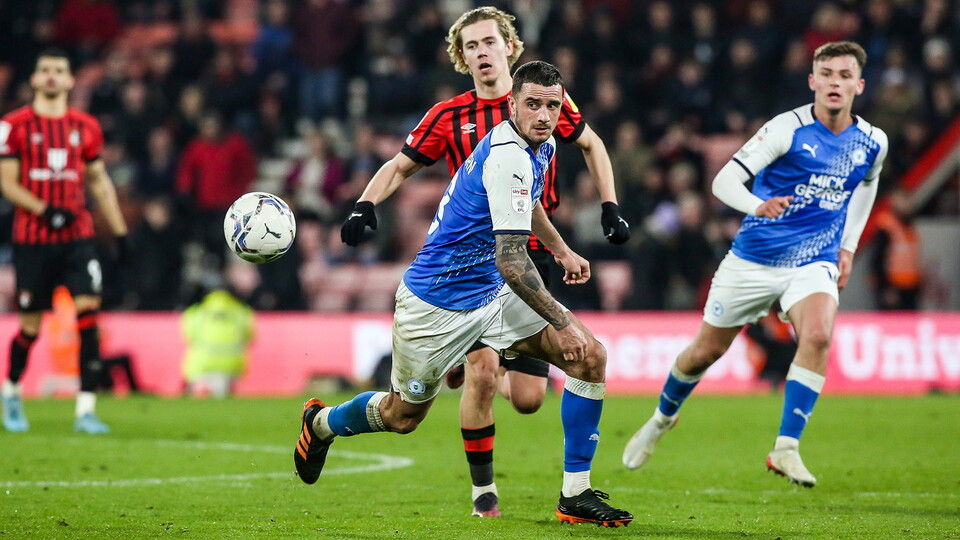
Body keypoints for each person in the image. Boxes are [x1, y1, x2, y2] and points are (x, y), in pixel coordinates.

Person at [297, 61, 633, 527]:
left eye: (552, 106)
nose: (543, 115)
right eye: (532, 104)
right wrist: (561, 321)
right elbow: (512, 262)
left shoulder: (541, 144)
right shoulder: (508, 156)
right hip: (435, 304)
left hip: (490, 294)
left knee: (589, 357)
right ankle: (321, 423)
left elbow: (527, 201)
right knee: (401, 416)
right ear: (512, 104)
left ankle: (575, 494)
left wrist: (560, 249)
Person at [622, 41, 888, 488]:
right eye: (826, 74)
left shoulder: (873, 141)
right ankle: (662, 418)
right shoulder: (787, 129)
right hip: (754, 260)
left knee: (818, 335)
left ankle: (786, 448)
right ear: (812, 81)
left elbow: (867, 184)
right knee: (705, 352)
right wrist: (757, 205)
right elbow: (723, 181)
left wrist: (847, 246)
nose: (835, 83)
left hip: (814, 260)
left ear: (859, 85)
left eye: (845, 75)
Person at [0, 48, 129, 434]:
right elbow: (6, 183)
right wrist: (45, 211)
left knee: (88, 316)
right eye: (45, 70)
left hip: (78, 238)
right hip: (33, 241)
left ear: (71, 80)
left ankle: (86, 409)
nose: (52, 75)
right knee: (31, 328)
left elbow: (99, 181)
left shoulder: (86, 126)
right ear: (34, 79)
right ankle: (11, 391)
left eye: (59, 70)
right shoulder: (12, 126)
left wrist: (120, 232)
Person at [182, 288, 254, 398]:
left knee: (198, 389)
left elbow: (189, 337)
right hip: (231, 365)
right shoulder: (241, 312)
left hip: (202, 364)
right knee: (223, 394)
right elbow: (250, 337)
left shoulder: (197, 312)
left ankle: (199, 390)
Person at [871, 187, 922, 310]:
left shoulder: (908, 226)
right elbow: (878, 259)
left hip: (911, 286)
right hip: (894, 287)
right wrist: (885, 287)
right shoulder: (887, 227)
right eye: (903, 200)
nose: (907, 204)